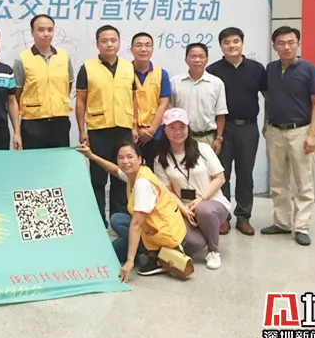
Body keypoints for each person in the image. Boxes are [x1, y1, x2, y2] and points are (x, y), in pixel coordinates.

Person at [77, 141, 191, 282]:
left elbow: (136, 224)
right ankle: (142, 250)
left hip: (164, 237)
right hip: (157, 228)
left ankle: (156, 256)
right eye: (121, 158)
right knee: (115, 234)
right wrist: (92, 156)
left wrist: (129, 261)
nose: (125, 161)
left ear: (139, 159)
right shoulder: (136, 174)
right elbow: (115, 171)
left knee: (116, 233)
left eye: (130, 157)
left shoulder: (142, 183)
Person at [261, 26, 315, 247]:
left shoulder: (309, 69)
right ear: (274, 46)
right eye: (281, 43)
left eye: (291, 42)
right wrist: (266, 122)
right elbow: (269, 98)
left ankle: (302, 226)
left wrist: (312, 134)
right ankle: (282, 222)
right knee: (278, 181)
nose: (286, 47)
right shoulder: (270, 69)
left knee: (303, 181)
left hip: (300, 131)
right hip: (275, 131)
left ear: (298, 43)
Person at [206, 27, 267, 236]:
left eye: (235, 41)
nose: (231, 46)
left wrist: (266, 122)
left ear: (242, 43)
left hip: (249, 128)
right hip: (223, 129)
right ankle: (223, 217)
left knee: (245, 173)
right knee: (221, 174)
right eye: (227, 42)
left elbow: (268, 97)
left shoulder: (256, 69)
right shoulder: (213, 70)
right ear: (220, 46)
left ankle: (243, 217)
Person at [75, 25, 139, 227]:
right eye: (104, 41)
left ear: (119, 42)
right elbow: (81, 101)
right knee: (98, 178)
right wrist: (81, 130)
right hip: (98, 129)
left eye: (113, 40)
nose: (109, 44)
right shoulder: (87, 68)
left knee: (122, 176)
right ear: (97, 44)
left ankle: (119, 220)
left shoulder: (128, 67)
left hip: (123, 129)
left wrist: (134, 126)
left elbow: (134, 98)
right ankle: (98, 222)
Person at [154, 108, 229, 270]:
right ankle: (205, 235)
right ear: (164, 130)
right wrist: (184, 209)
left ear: (188, 128)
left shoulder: (203, 149)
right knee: (195, 244)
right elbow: (168, 192)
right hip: (185, 209)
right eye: (172, 128)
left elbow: (220, 178)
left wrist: (201, 199)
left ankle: (213, 251)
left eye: (182, 127)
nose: (178, 132)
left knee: (204, 210)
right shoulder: (161, 160)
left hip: (212, 203)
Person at [13, 15, 74, 149]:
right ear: (32, 32)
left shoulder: (64, 57)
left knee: (60, 160)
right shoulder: (22, 59)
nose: (46, 34)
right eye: (41, 30)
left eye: (50, 30)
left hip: (60, 121)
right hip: (33, 123)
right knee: (35, 161)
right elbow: (17, 93)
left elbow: (68, 85)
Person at [170, 43, 228, 152]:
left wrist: (218, 138)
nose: (197, 60)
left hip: (208, 138)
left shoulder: (216, 83)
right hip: (181, 138)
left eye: (201, 56)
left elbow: (220, 114)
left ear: (206, 60)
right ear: (186, 60)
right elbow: (170, 112)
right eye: (193, 56)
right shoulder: (175, 82)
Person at [130, 32, 171, 169]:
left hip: (156, 134)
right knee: (131, 173)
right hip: (131, 133)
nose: (143, 49)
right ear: (131, 49)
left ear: (152, 49)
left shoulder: (162, 73)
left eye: (147, 45)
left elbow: (164, 104)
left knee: (157, 173)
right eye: (139, 45)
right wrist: (135, 128)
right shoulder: (124, 72)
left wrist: (151, 130)